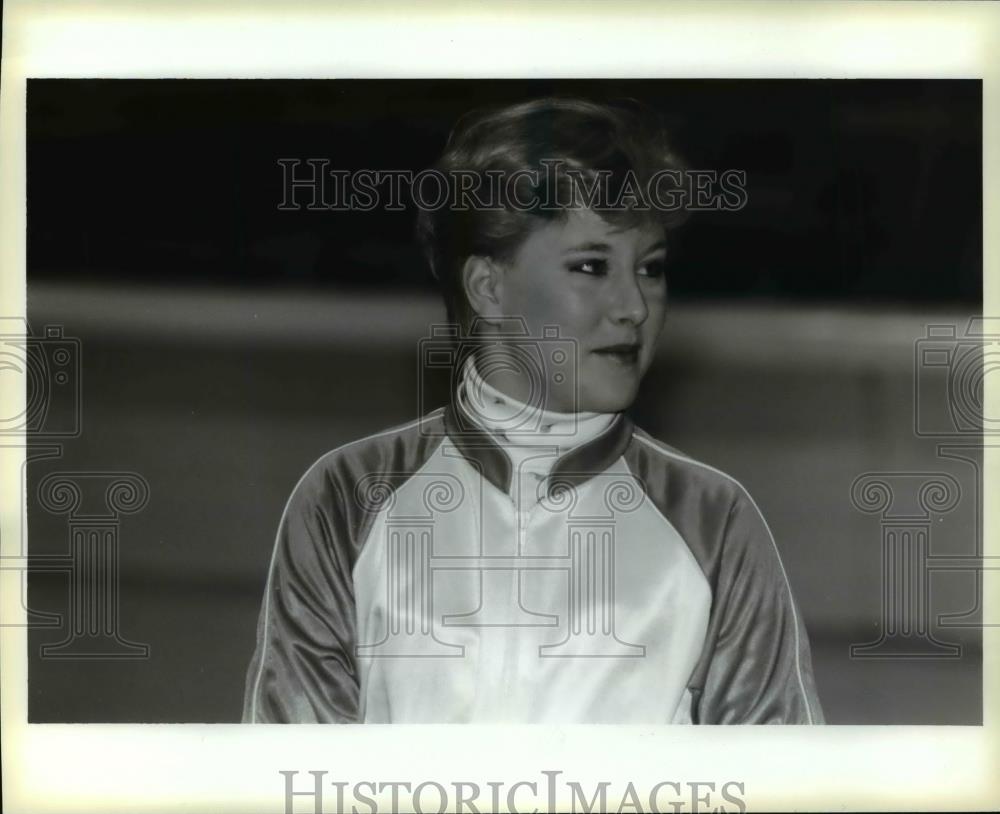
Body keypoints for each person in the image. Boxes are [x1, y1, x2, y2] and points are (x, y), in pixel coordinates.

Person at [242, 97, 825, 724]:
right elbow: (291, 777)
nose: (633, 305)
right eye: (592, 266)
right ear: (487, 287)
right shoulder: (346, 498)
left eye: (651, 269)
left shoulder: (715, 520)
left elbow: (778, 780)